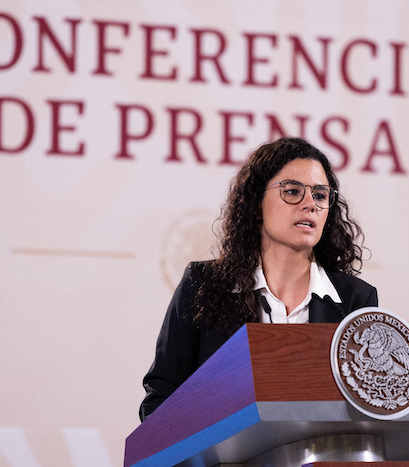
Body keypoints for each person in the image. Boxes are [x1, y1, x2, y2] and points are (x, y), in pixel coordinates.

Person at [139, 137, 378, 421]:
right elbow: (160, 399)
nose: (309, 204)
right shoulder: (203, 285)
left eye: (320, 195)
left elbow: (368, 404)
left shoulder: (355, 299)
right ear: (255, 205)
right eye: (292, 191)